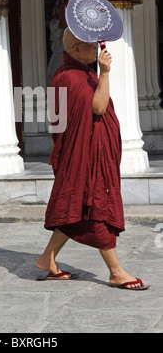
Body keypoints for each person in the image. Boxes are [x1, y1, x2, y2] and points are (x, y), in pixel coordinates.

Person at [36, 28, 149, 290]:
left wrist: (98, 74)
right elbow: (98, 107)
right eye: (90, 45)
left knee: (76, 209)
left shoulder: (79, 73)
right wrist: (105, 73)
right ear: (76, 50)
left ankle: (47, 259)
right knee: (95, 208)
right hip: (85, 157)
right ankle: (115, 271)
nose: (96, 49)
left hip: (89, 153)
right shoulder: (70, 77)